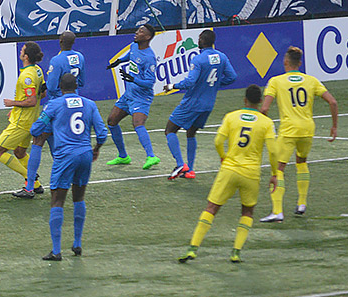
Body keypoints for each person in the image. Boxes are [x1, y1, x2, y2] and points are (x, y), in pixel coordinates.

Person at [178, 84, 278, 264]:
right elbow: (273, 151)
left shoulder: (231, 117)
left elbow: (218, 141)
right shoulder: (266, 123)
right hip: (250, 173)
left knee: (211, 208)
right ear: (261, 101)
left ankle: (193, 248)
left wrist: (223, 157)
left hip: (229, 169)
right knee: (247, 211)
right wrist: (274, 174)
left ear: (244, 100)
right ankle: (236, 252)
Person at [29, 74, 107, 260]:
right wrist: (96, 148)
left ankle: (56, 251)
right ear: (76, 87)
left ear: (60, 87)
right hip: (85, 154)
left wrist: (45, 127)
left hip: (65, 156)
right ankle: (77, 243)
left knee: (57, 199)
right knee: (79, 197)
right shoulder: (89, 104)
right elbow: (102, 133)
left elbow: (35, 129)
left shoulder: (54, 105)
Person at [259, 46, 338, 223]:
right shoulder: (311, 81)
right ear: (300, 63)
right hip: (307, 129)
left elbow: (264, 108)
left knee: (278, 169)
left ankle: (277, 211)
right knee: (301, 162)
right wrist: (334, 126)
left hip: (288, 130)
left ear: (285, 62)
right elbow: (332, 102)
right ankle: (301, 203)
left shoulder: (276, 81)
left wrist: (262, 126)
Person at [14, 30, 86, 198]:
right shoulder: (80, 57)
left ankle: (30, 187)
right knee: (56, 145)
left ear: (60, 41)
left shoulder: (57, 60)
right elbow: (81, 81)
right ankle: (70, 179)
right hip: (73, 103)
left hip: (57, 106)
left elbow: (52, 87)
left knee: (38, 139)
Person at [164, 29, 237, 180]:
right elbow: (232, 77)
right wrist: (214, 84)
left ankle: (180, 164)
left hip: (192, 103)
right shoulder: (222, 57)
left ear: (202, 41)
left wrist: (173, 86)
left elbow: (190, 81)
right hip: (208, 104)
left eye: (199, 39)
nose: (198, 41)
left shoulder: (198, 59)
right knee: (191, 132)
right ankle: (189, 170)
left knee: (170, 129)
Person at [0, 42, 45, 192]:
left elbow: (31, 101)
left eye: (22, 50)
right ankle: (36, 185)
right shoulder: (37, 70)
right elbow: (43, 93)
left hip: (21, 123)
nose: (20, 52)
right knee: (19, 152)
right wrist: (16, 107)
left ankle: (30, 177)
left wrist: (12, 103)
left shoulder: (27, 76)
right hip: (31, 120)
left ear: (26, 56)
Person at [105, 24, 160, 170]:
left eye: (141, 31)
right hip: (128, 94)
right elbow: (130, 55)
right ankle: (123, 156)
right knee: (111, 121)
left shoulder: (149, 58)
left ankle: (151, 156)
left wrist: (133, 79)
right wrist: (119, 61)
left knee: (138, 124)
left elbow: (149, 83)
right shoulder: (134, 46)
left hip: (141, 97)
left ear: (147, 37)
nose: (136, 32)